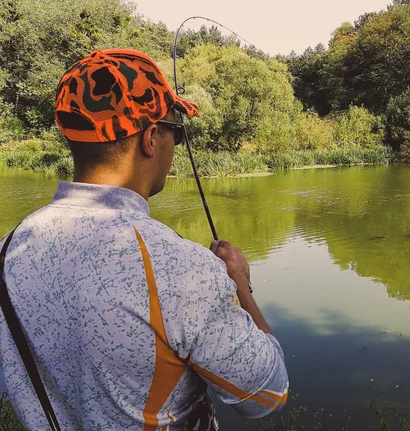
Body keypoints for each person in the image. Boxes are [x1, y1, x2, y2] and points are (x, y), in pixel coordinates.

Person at [0, 49, 288, 430]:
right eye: (177, 134)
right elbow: (266, 395)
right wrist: (239, 285)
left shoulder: (8, 249)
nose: (175, 147)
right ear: (152, 138)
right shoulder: (180, 269)